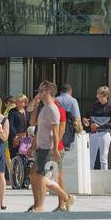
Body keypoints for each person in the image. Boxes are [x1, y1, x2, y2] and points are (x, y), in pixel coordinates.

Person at [28, 82, 73, 212]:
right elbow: (35, 125)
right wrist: (34, 145)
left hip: (49, 148)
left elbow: (57, 131)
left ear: (47, 91)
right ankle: (65, 197)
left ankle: (41, 206)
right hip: (42, 147)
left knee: (43, 177)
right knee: (35, 175)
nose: (38, 93)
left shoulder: (54, 109)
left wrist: (55, 150)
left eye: (41, 91)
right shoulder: (44, 108)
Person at [85, 85, 111, 170]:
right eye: (98, 95)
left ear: (106, 96)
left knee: (103, 158)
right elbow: (87, 117)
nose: (99, 97)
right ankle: (89, 177)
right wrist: (87, 122)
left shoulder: (110, 107)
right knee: (91, 158)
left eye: (102, 96)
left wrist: (99, 125)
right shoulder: (93, 106)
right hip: (93, 134)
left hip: (104, 134)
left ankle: (104, 178)